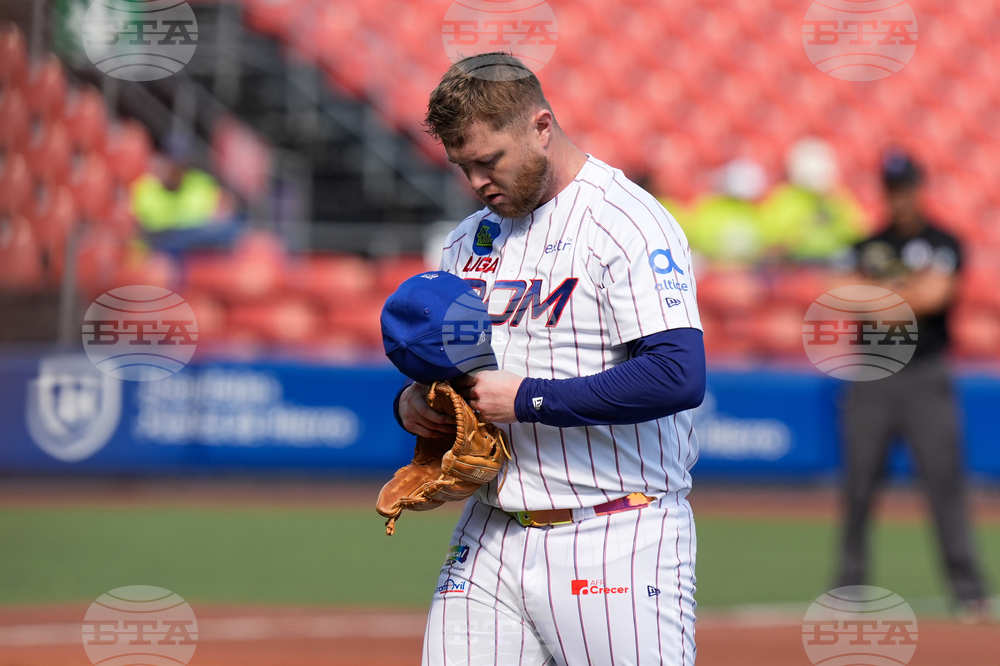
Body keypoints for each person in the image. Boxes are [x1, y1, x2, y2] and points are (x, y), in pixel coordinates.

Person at [395, 53, 705, 665]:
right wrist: (418, 403)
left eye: (490, 161)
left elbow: (678, 373)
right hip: (491, 532)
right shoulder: (469, 239)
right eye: (464, 167)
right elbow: (462, 375)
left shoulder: (627, 223)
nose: (478, 181)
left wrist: (530, 399)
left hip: (613, 528)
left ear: (541, 126)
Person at [833, 150, 991, 619]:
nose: (899, 198)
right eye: (891, 189)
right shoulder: (866, 242)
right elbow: (842, 294)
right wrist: (904, 295)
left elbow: (934, 296)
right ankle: (847, 585)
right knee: (858, 486)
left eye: (905, 188)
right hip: (873, 375)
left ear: (920, 188)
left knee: (945, 485)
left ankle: (968, 590)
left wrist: (878, 294)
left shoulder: (944, 241)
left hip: (926, 375)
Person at [758, 137, 867, 262]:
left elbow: (857, 232)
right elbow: (770, 239)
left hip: (832, 261)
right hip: (794, 263)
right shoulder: (784, 198)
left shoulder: (838, 197)